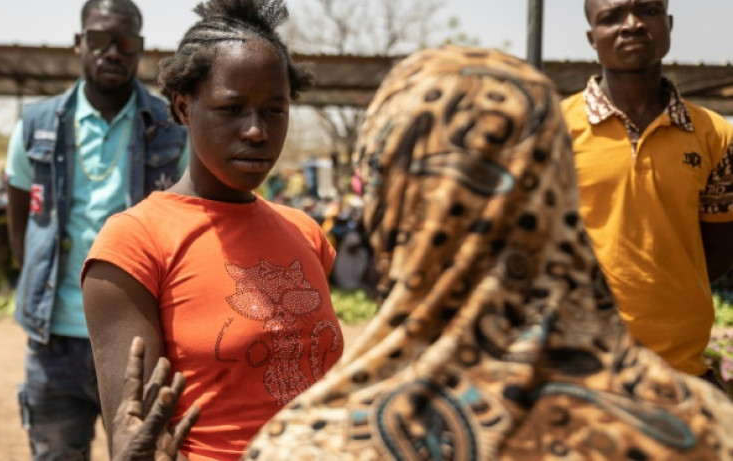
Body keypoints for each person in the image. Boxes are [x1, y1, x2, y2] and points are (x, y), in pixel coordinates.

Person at [127, 45, 733, 459]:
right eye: (233, 110)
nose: (256, 130)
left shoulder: (327, 441)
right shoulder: (699, 425)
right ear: (557, 186)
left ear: (392, 209)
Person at [81, 0, 344, 461]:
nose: (256, 130)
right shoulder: (135, 244)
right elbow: (132, 432)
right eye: (231, 108)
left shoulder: (305, 233)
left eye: (274, 111)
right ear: (184, 107)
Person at [5, 0, 187, 460]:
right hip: (55, 341)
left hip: (138, 341)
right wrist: (37, 281)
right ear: (78, 43)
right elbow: (20, 218)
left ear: (140, 48)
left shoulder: (171, 129)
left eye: (125, 41)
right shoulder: (36, 125)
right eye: (100, 38)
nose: (112, 50)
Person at [561, 0, 733, 378]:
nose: (632, 24)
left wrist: (667, 285)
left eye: (648, 10)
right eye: (612, 17)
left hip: (679, 370)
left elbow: (720, 246)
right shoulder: (550, 130)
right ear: (592, 38)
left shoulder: (714, 134)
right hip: (577, 370)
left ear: (668, 25)